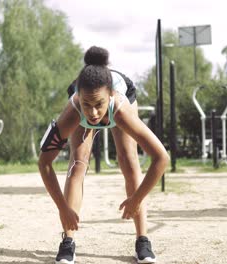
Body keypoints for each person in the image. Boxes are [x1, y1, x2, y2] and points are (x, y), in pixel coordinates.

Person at [38, 46, 169, 264]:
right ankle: (68, 242)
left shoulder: (120, 107)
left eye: (98, 104)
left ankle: (143, 240)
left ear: (110, 96)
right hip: (85, 99)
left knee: (128, 160)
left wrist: (136, 199)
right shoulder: (74, 111)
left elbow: (161, 158)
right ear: (78, 97)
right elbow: (44, 164)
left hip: (122, 98)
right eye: (87, 105)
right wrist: (63, 209)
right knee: (77, 165)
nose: (93, 112)